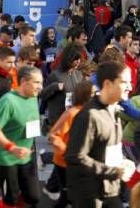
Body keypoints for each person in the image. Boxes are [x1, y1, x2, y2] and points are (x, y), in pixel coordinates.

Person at [66, 60, 136, 208]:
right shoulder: (90, 115)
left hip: (111, 191)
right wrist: (112, 171)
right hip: (91, 196)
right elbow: (75, 157)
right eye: (124, 82)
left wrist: (123, 162)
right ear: (107, 84)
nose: (130, 87)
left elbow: (108, 150)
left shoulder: (114, 111)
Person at [0, 65, 43, 208]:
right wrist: (11, 147)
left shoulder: (32, 97)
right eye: (37, 82)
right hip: (6, 158)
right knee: (10, 198)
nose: (40, 87)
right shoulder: (8, 101)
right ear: (24, 81)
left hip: (26, 155)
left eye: (41, 83)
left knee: (33, 197)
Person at [48, 80, 95, 208]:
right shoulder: (72, 113)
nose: (96, 96)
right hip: (64, 163)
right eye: (93, 93)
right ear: (85, 95)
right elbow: (53, 135)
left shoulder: (91, 113)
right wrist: (68, 152)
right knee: (67, 199)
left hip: (79, 163)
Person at [41, 45, 84, 127]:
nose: (78, 61)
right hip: (58, 121)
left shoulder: (79, 75)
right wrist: (54, 86)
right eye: (76, 59)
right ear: (69, 58)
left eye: (79, 59)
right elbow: (43, 95)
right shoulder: (55, 75)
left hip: (74, 119)